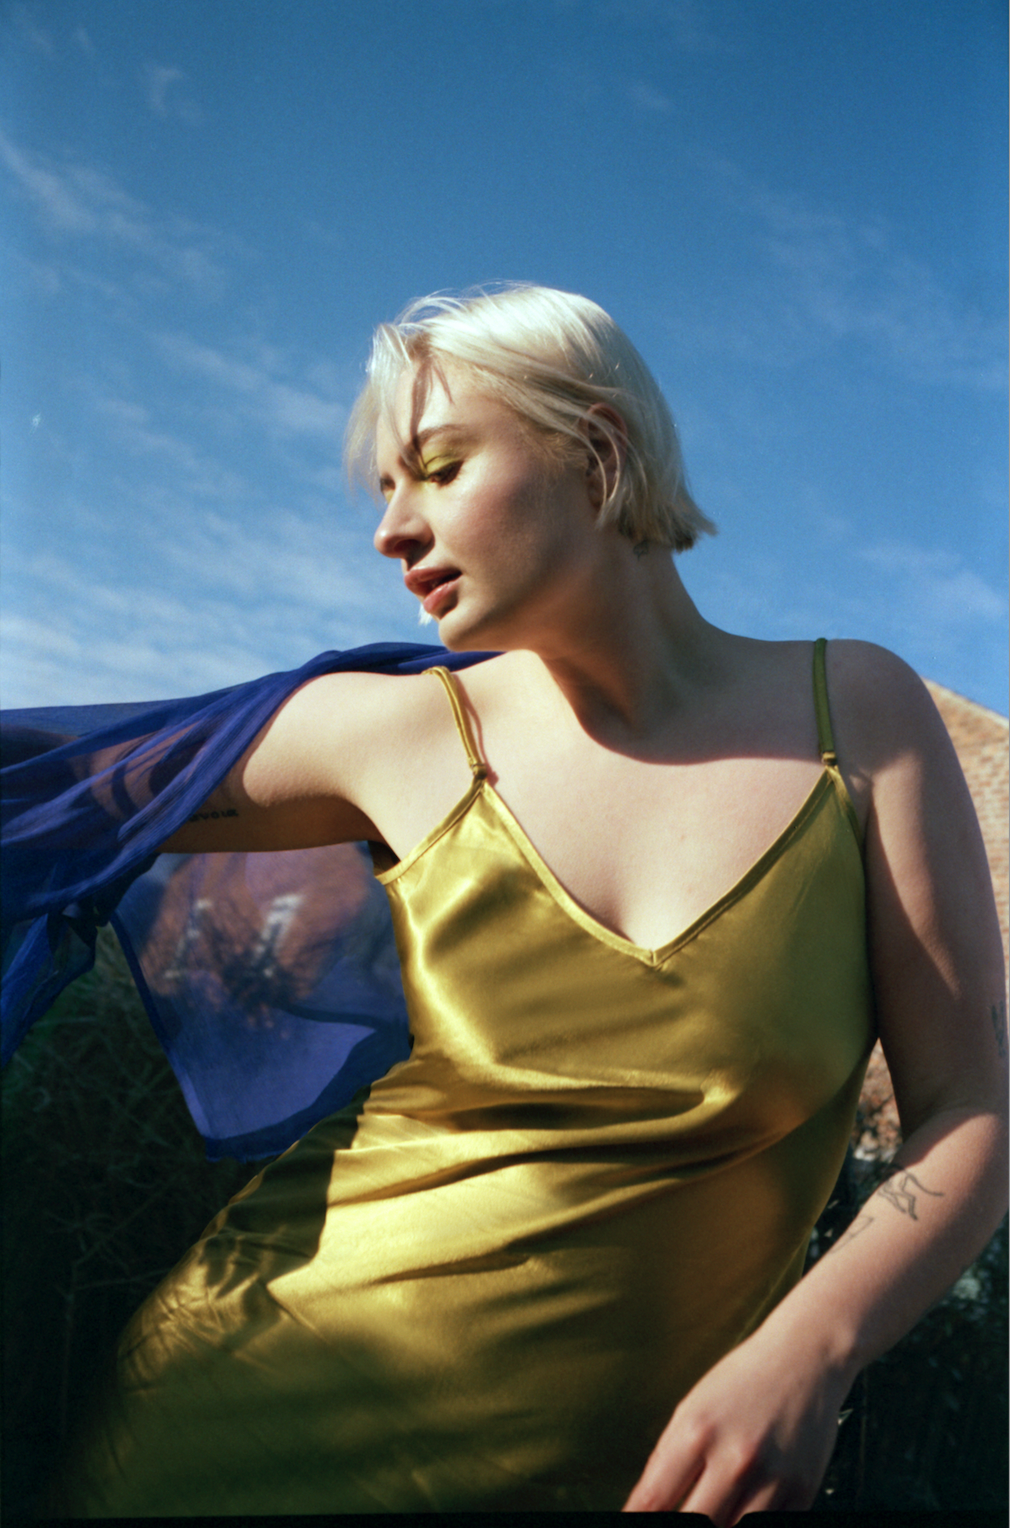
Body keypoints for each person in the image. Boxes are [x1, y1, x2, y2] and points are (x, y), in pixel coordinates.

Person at [4, 286, 1006, 1519]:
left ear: (596, 449)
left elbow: (969, 1111)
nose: (389, 528)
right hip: (240, 1405)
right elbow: (49, 796)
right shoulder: (392, 736)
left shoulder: (853, 716)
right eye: (382, 489)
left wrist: (810, 1348)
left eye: (434, 467)